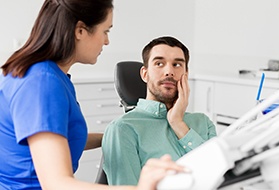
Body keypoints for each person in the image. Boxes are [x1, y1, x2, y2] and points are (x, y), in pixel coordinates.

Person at [0, 1, 186, 189]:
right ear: (80, 31)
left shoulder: (53, 76)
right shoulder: (42, 83)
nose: (106, 41)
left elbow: (60, 137)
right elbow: (56, 184)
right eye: (105, 31)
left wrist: (117, 134)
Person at [102, 36, 217, 185]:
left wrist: (178, 123)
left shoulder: (203, 122)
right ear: (145, 74)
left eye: (177, 64)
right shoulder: (123, 129)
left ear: (185, 75)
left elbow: (220, 174)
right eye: (159, 63)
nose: (169, 71)